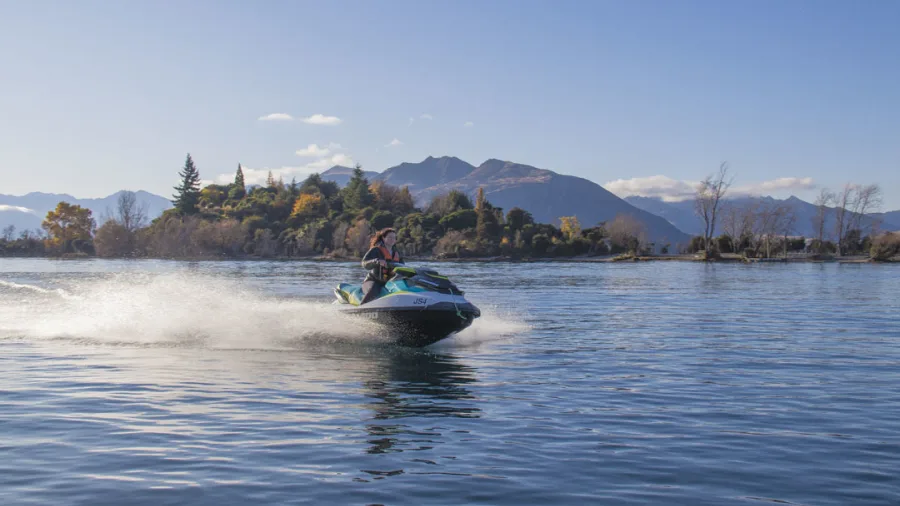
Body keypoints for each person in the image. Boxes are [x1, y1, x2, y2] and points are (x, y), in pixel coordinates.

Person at [360, 227, 404, 304]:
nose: (392, 239)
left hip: (390, 282)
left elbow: (403, 268)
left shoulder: (397, 253)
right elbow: (364, 263)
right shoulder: (376, 250)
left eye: (394, 237)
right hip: (374, 281)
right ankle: (360, 309)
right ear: (383, 238)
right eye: (390, 237)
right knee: (373, 293)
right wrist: (376, 261)